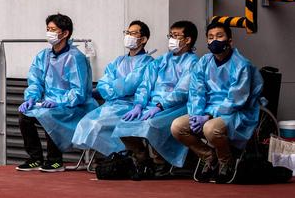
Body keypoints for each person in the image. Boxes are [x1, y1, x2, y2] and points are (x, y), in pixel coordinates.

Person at [171, 22, 264, 184]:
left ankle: (225, 161)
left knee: (210, 128)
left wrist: (209, 116)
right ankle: (208, 156)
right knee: (177, 127)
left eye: (220, 36)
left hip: (236, 112)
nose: (215, 41)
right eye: (210, 37)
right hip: (206, 111)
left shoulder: (242, 65)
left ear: (230, 41)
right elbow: (196, 91)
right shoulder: (204, 62)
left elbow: (236, 99)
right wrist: (196, 114)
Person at [111, 20, 199, 179]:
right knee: (123, 124)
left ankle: (160, 163)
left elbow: (182, 91)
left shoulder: (193, 63)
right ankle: (142, 158)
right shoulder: (161, 60)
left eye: (176, 36)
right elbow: (145, 85)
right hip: (151, 105)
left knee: (151, 124)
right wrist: (138, 104)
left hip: (176, 107)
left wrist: (160, 105)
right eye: (170, 35)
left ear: (188, 40)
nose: (172, 39)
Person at [17, 13, 98, 173]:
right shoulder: (43, 56)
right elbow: (35, 81)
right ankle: (35, 158)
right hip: (48, 103)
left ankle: (55, 160)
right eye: (48, 29)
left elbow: (79, 91)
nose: (49, 33)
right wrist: (31, 98)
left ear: (65, 33)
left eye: (53, 29)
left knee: (49, 115)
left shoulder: (75, 58)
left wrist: (60, 101)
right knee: (24, 115)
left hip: (74, 106)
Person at [72, 20, 154, 157]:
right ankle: (113, 157)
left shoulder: (148, 62)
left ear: (143, 39)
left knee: (98, 124)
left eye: (133, 33)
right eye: (127, 32)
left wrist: (113, 87)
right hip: (111, 105)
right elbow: (103, 84)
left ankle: (124, 156)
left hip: (130, 107)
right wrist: (116, 89)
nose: (128, 36)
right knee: (86, 123)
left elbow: (130, 85)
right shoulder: (118, 61)